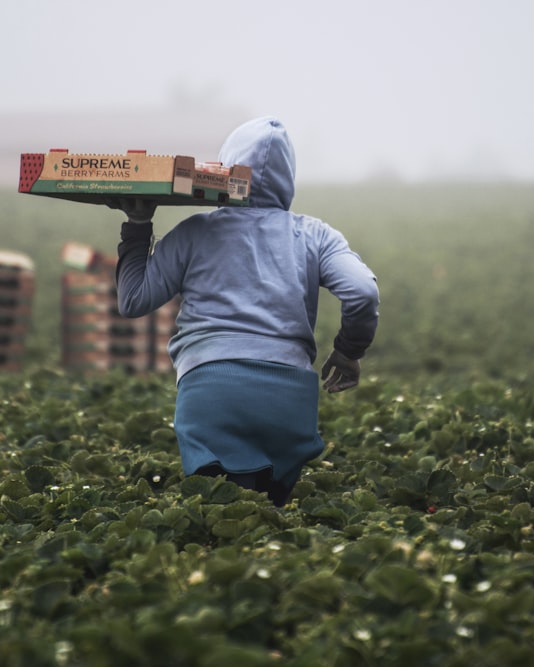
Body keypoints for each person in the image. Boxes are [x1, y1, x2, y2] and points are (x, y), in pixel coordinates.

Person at [110, 116, 379, 507]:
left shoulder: (194, 232)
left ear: (225, 169)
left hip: (209, 391)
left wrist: (137, 224)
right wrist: (349, 351)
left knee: (219, 518)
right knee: (273, 525)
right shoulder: (316, 235)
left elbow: (133, 300)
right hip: (289, 400)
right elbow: (362, 291)